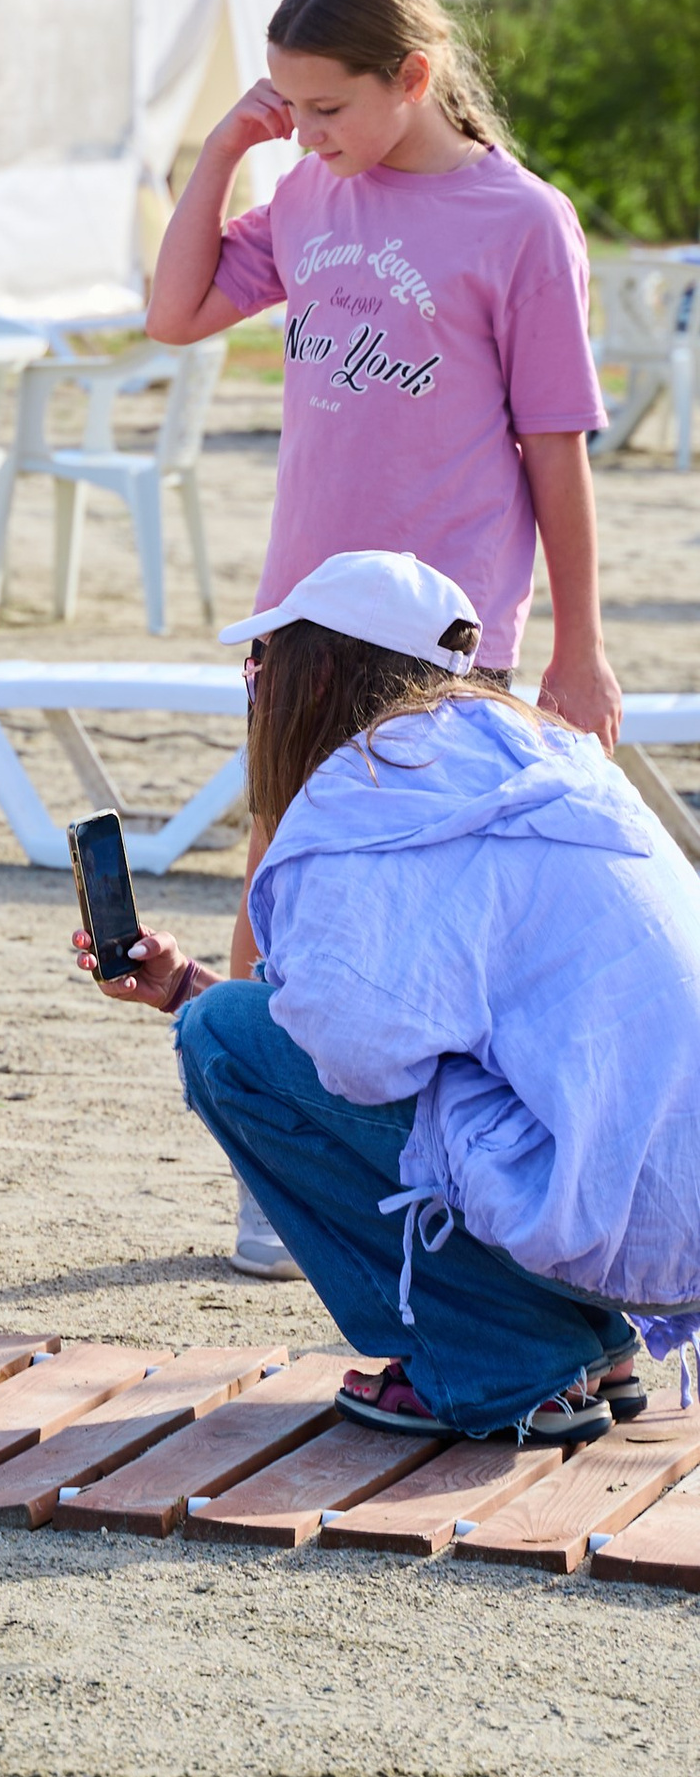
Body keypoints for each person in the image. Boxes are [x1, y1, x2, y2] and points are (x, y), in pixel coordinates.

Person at [146, 0, 615, 1278]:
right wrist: (232, 149)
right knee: (277, 886)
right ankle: (276, 1175)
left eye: (325, 105)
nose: (304, 128)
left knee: (424, 920)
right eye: (285, 105)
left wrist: (581, 647)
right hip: (303, 619)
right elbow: (173, 310)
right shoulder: (306, 192)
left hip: (447, 637)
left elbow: (557, 448)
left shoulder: (521, 222)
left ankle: (446, 1194)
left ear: (411, 77)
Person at [77, 546, 691, 1450]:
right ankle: (595, 1346)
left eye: (263, 665)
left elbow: (357, 1059)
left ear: (317, 671)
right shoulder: (533, 750)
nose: (256, 688)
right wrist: (189, 982)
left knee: (220, 1042)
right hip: (665, 1222)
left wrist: (209, 1007)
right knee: (237, 1021)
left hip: (599, 1214)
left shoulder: (369, 788)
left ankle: (500, 1358)